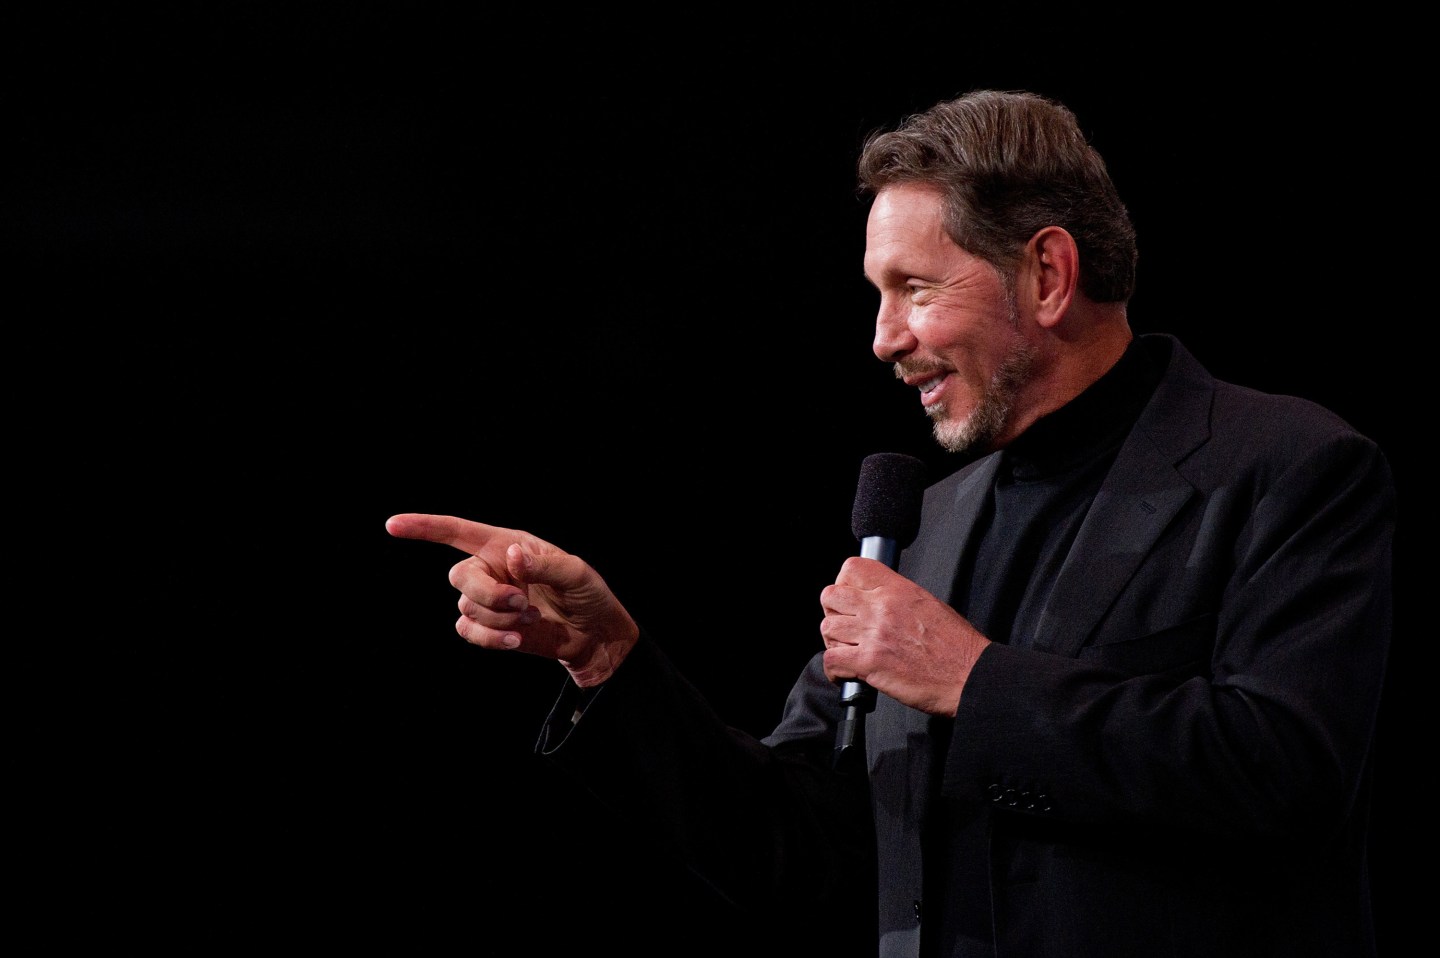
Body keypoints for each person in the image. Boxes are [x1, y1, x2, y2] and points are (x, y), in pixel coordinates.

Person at [385, 89, 1394, 957]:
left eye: (915, 289)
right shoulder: (923, 527)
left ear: (1047, 275)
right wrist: (610, 660)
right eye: (878, 295)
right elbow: (800, 848)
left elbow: (1286, 773)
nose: (883, 339)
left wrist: (972, 680)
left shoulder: (1285, 469)